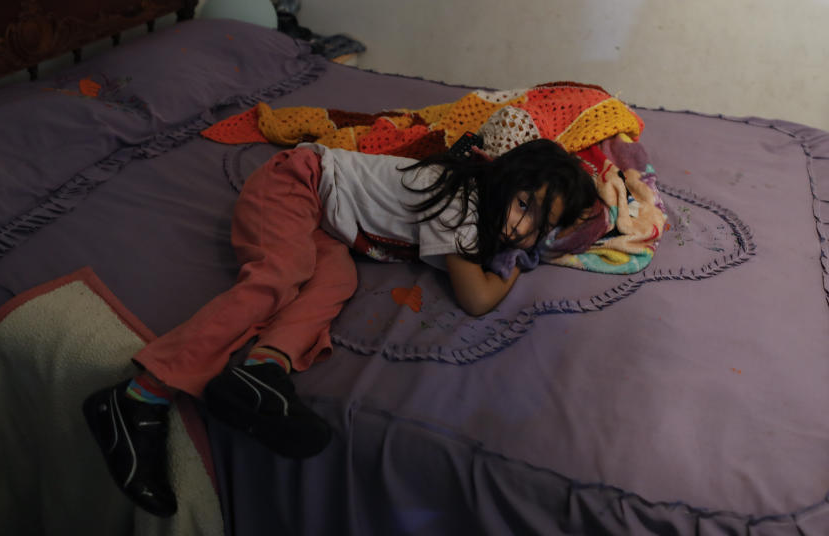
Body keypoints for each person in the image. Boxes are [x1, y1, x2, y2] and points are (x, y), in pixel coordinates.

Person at [82, 137, 598, 517]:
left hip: (326, 223)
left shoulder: (485, 214)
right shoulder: (460, 204)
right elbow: (478, 298)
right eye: (523, 204)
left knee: (333, 285)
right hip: (296, 183)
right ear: (504, 181)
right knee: (277, 279)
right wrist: (514, 264)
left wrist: (534, 240)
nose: (521, 227)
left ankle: (262, 373)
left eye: (539, 223)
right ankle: (138, 398)